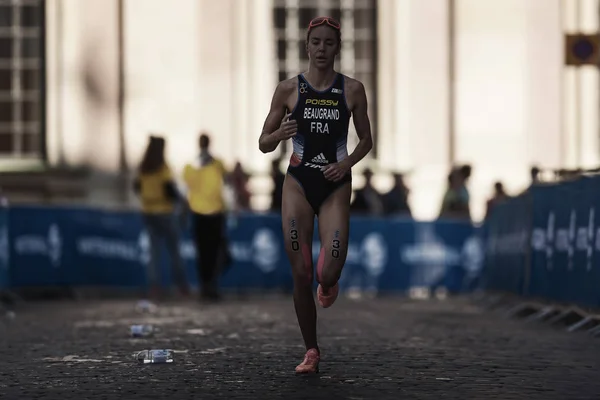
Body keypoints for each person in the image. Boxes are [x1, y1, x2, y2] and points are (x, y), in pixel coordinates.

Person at [258, 16, 373, 374]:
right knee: (302, 271)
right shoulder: (289, 89)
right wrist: (280, 134)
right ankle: (311, 350)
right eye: (316, 43)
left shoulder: (352, 90)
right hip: (298, 183)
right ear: (307, 47)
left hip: (335, 184)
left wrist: (348, 163)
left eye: (329, 43)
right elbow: (263, 143)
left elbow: (367, 140)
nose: (322, 49)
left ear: (338, 48)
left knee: (328, 271)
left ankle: (330, 284)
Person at [133, 136, 189, 300]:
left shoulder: (143, 167)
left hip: (148, 213)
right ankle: (181, 286)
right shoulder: (163, 167)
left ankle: (154, 286)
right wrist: (181, 202)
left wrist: (147, 197)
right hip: (165, 213)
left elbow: (136, 186)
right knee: (175, 251)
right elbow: (170, 190)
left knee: (154, 253)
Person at [183, 133, 230, 301]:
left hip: (202, 213)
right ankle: (210, 286)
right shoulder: (216, 164)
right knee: (211, 252)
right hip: (212, 213)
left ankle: (207, 286)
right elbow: (227, 182)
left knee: (205, 253)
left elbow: (186, 189)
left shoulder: (192, 166)